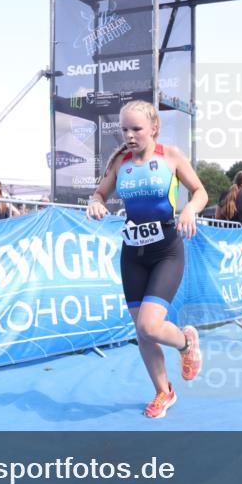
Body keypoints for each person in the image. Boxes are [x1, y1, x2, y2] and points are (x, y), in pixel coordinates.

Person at [86, 100, 208, 419]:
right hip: (133, 253)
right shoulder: (120, 163)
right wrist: (96, 203)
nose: (129, 135)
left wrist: (191, 210)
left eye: (136, 129)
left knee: (150, 325)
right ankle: (163, 392)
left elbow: (200, 192)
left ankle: (185, 342)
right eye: (124, 129)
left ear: (154, 128)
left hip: (166, 250)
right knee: (142, 332)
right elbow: (99, 193)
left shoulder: (170, 156)